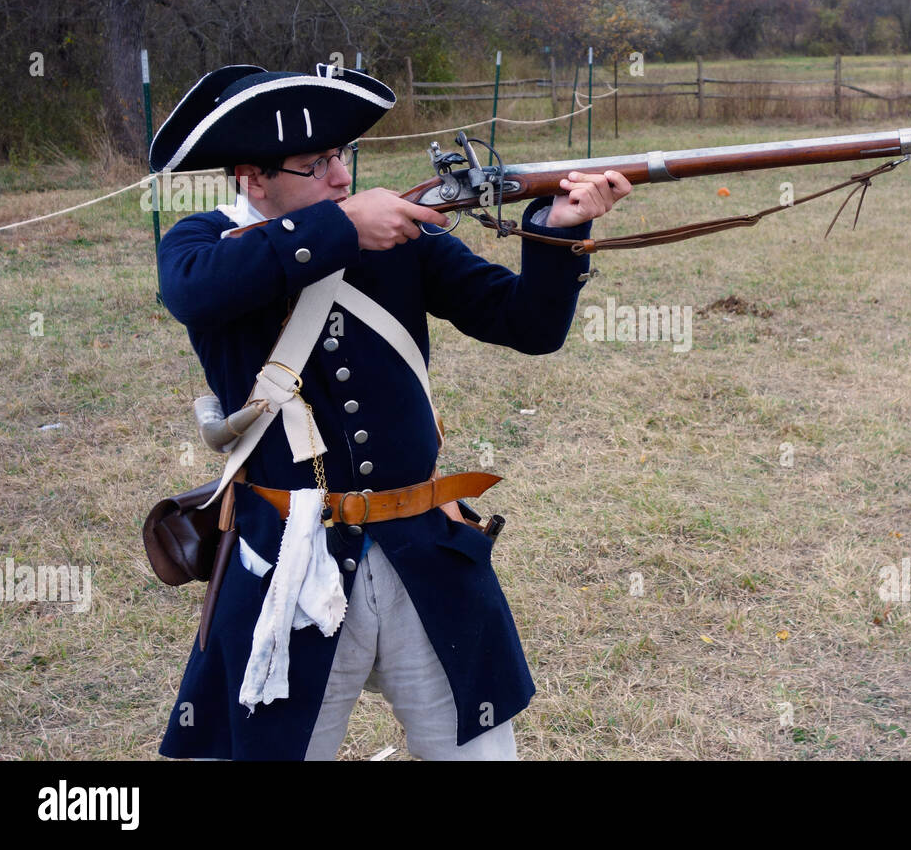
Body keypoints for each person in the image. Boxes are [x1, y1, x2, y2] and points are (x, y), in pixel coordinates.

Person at [150, 63, 630, 759]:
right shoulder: (204, 245)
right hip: (291, 557)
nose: (340, 177)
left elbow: (526, 325)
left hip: (423, 546)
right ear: (254, 179)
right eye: (315, 164)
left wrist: (557, 230)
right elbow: (195, 294)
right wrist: (340, 229)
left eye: (342, 156)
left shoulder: (401, 239)